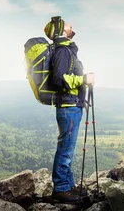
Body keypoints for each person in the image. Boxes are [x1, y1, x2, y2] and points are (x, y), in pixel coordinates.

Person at [44, 18, 96, 203]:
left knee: (68, 148)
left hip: (71, 105)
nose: (71, 25)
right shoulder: (62, 51)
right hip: (68, 107)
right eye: (67, 24)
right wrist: (83, 80)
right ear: (61, 30)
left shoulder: (66, 50)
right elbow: (59, 79)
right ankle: (61, 188)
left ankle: (68, 184)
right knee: (66, 148)